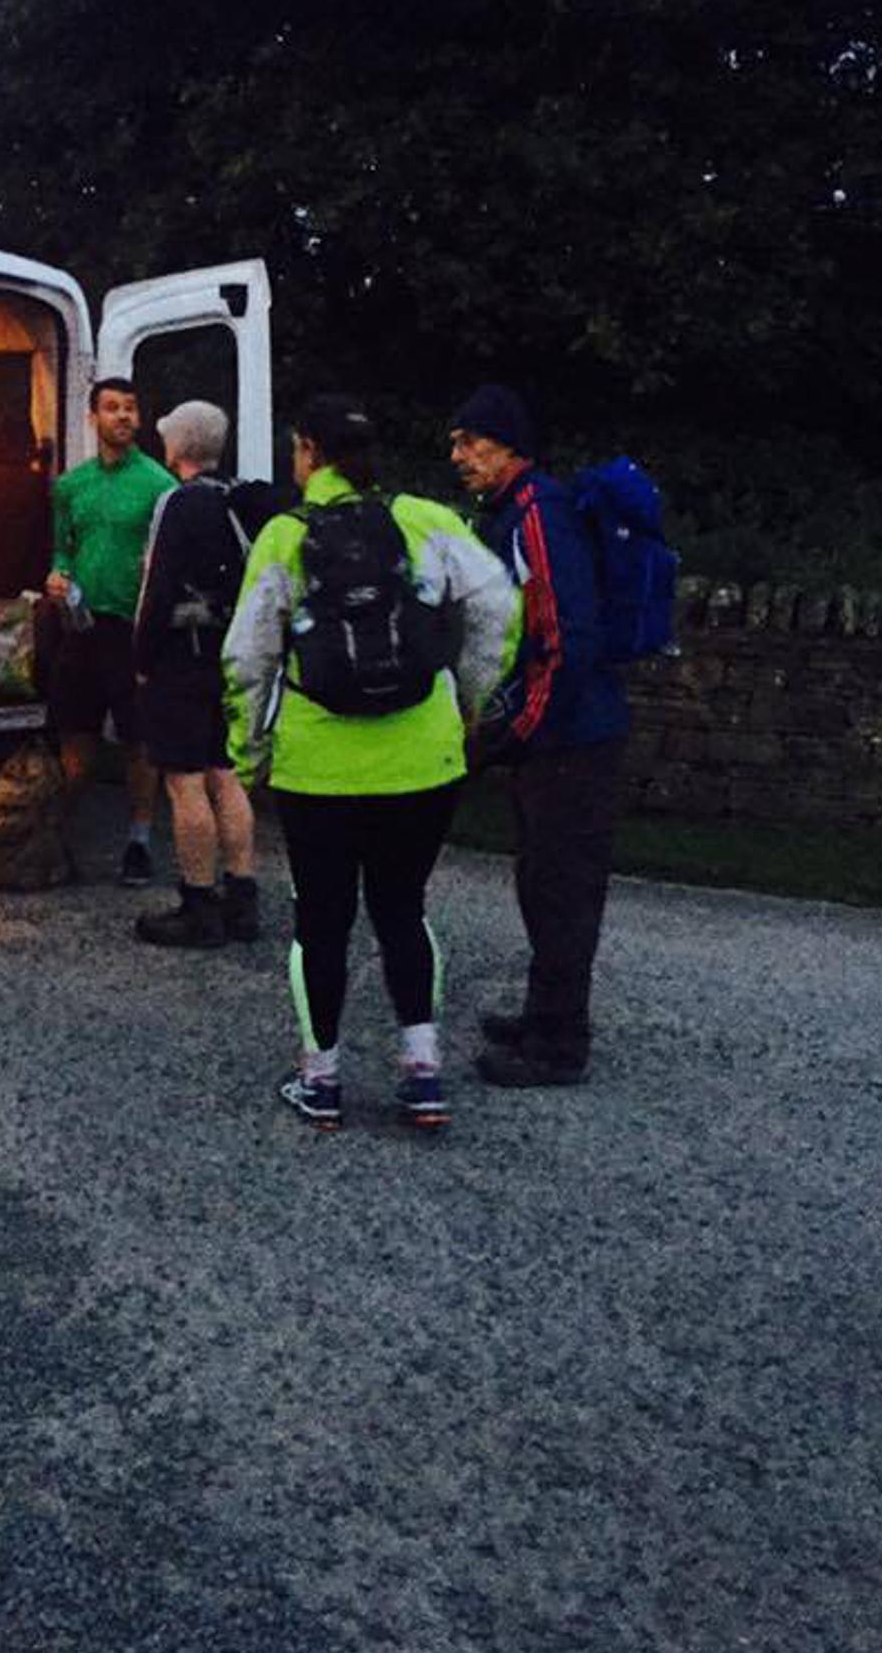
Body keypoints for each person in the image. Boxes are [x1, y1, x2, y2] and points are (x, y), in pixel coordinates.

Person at [224, 394, 516, 1133]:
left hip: (317, 767)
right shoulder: (424, 520)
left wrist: (249, 751)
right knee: (403, 909)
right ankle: (422, 1073)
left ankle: (320, 1080)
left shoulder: (285, 536)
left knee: (320, 922)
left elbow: (245, 659)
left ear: (307, 451)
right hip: (422, 762)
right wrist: (469, 701)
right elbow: (501, 611)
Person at [449, 384, 631, 1087]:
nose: (458, 455)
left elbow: (563, 637)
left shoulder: (536, 514)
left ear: (508, 445)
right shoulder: (518, 510)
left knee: (561, 887)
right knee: (541, 879)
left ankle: (558, 1043)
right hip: (559, 735)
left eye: (470, 441)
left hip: (573, 739)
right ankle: (544, 1014)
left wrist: (519, 729)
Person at [130, 399, 258, 947]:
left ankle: (198, 903)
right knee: (224, 773)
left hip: (183, 656)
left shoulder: (177, 505)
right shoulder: (242, 499)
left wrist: (142, 657)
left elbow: (154, 589)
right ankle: (242, 895)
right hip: (229, 655)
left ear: (178, 446)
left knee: (184, 782)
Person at [44, 379, 174, 884]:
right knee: (76, 739)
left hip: (133, 629)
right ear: (92, 417)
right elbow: (62, 547)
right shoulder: (71, 486)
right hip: (80, 628)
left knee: (139, 738)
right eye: (112, 408)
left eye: (131, 409)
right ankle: (58, 838)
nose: (122, 416)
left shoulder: (159, 485)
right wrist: (57, 574)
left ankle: (139, 840)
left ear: (140, 420)